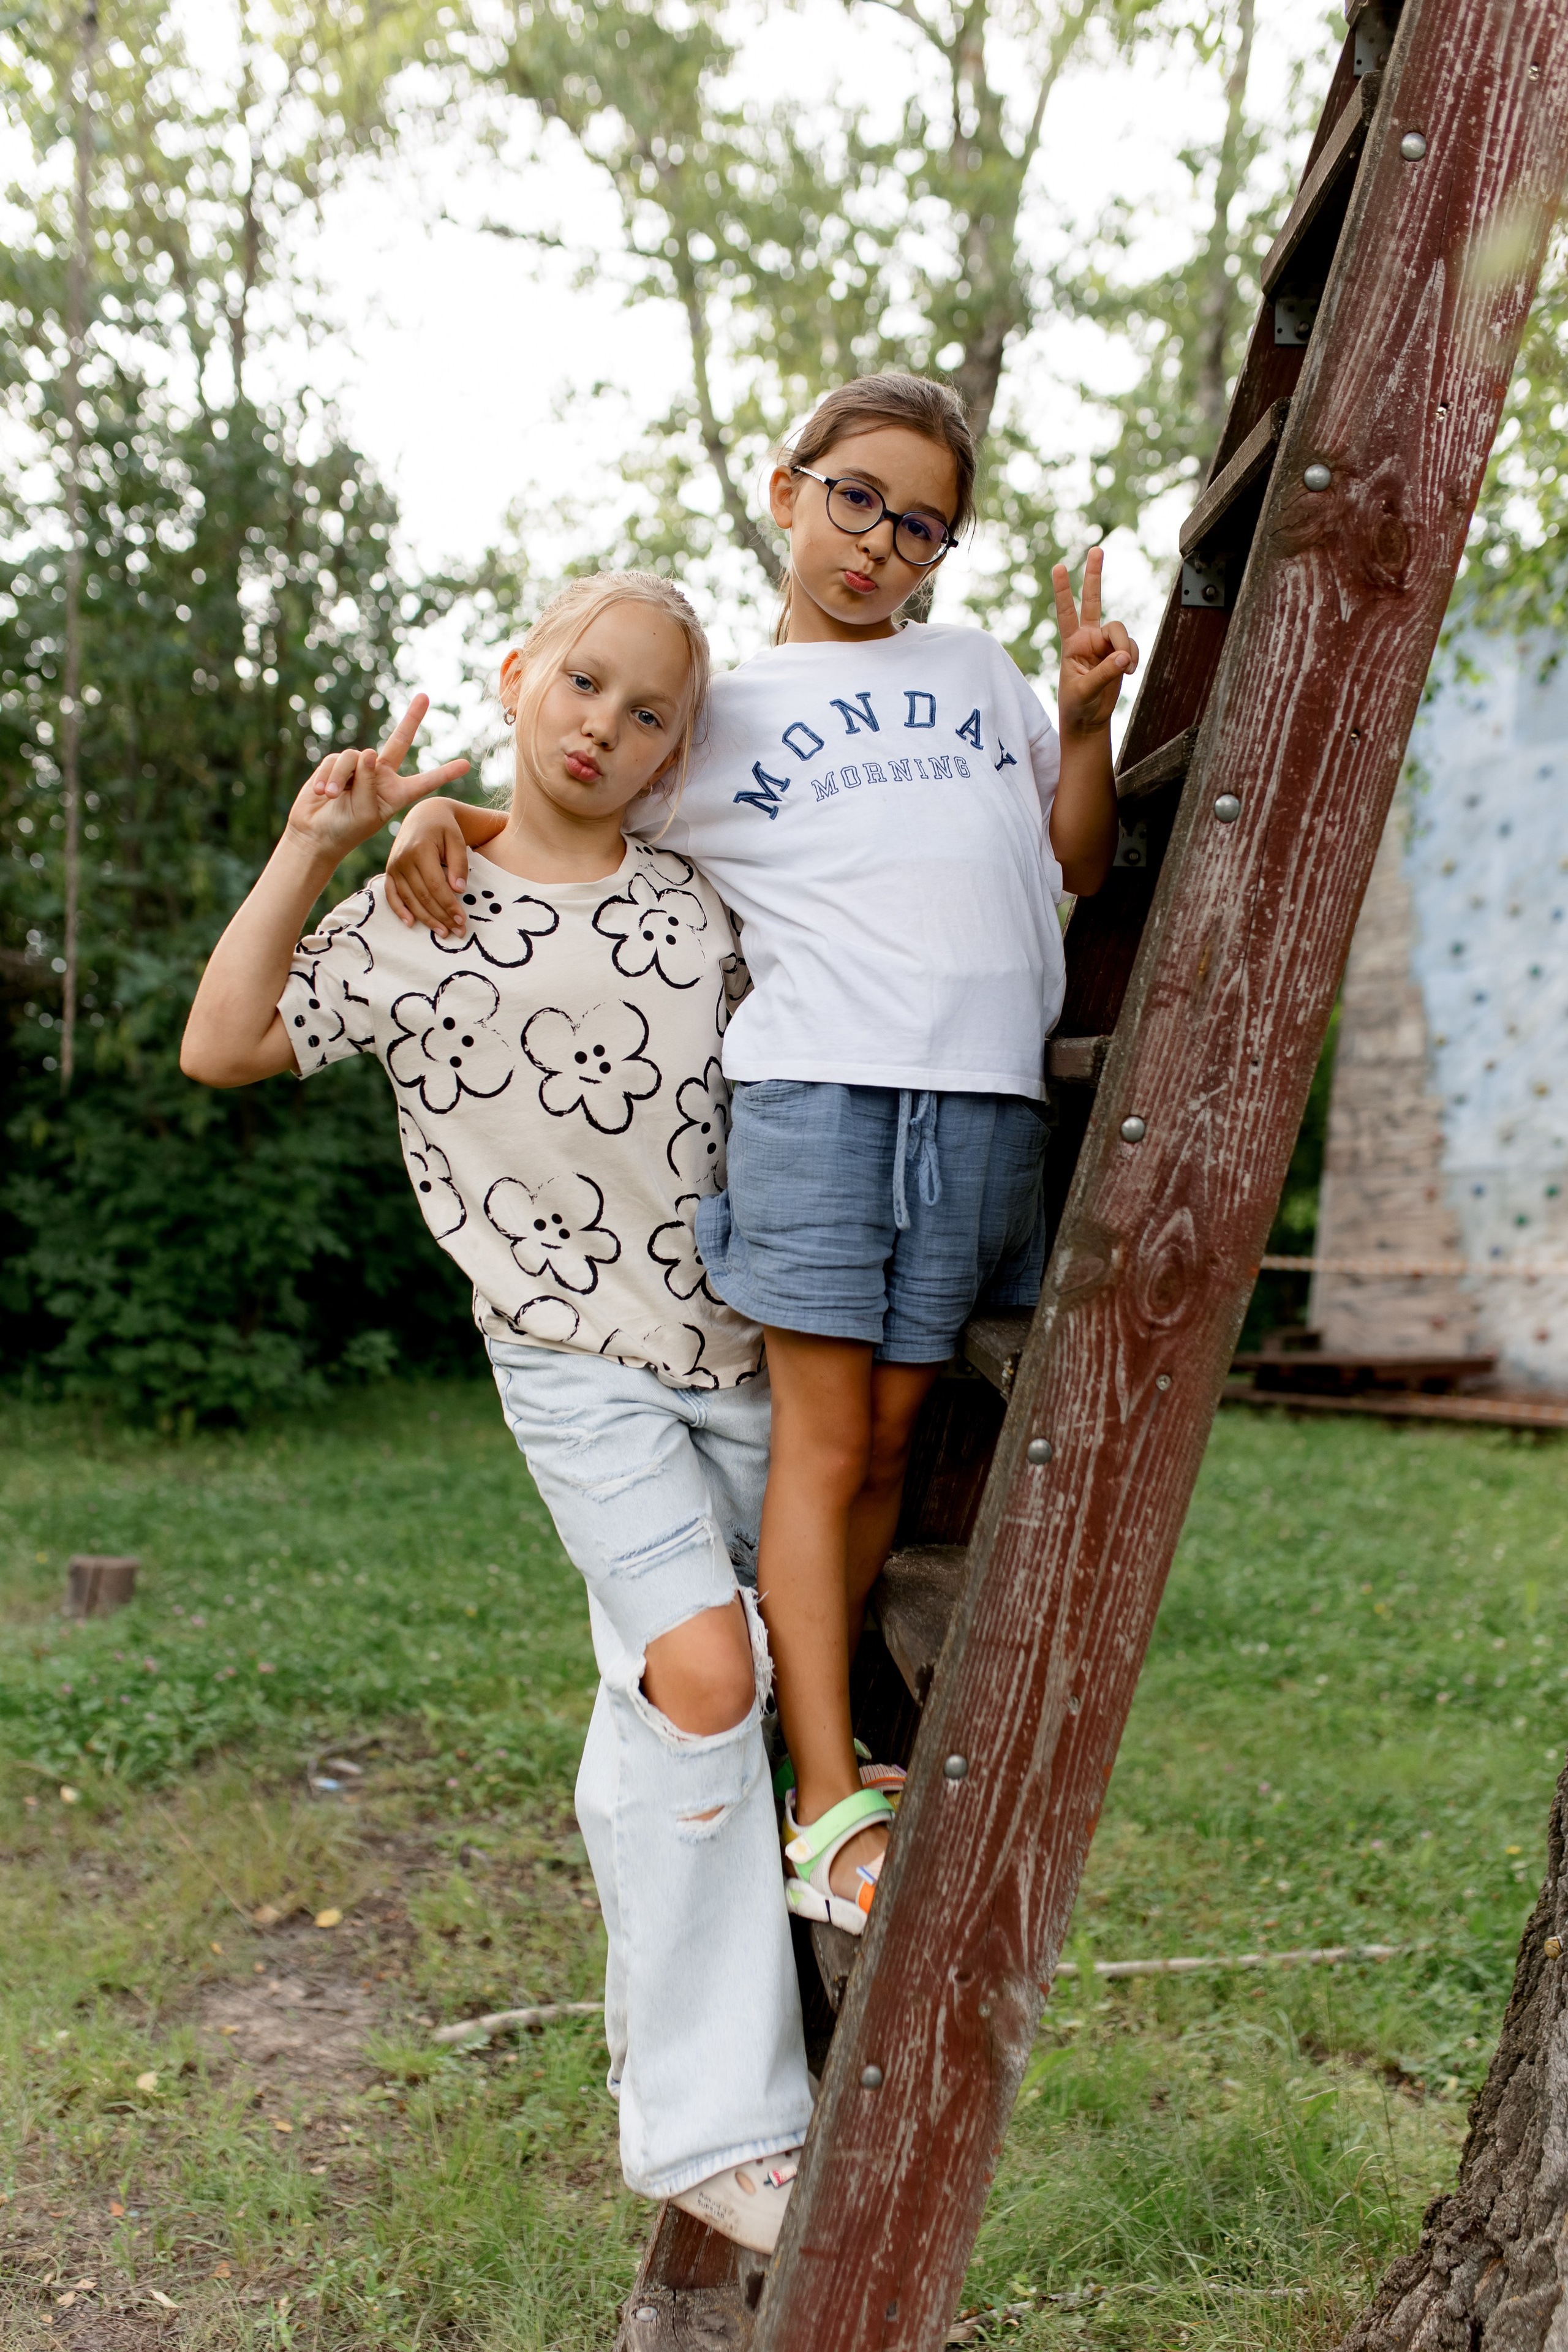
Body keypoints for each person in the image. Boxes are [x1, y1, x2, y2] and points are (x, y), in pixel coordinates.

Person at [386, 372, 1137, 1942]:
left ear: (943, 553)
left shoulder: (979, 670)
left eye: (920, 523)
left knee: (881, 1442)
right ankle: (818, 1798)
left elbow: (1072, 859)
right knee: (818, 1448)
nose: (879, 543)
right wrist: (433, 821)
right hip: (814, 1098)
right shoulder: (715, 715)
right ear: (788, 491)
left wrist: (1081, 725)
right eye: (854, 498)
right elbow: (570, 806)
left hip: (982, 1103)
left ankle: (813, 1747)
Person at [179, 572, 812, 2252]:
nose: (605, 724)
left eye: (650, 709)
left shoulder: (706, 902)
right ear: (521, 678)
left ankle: (677, 2051)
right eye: (584, 684)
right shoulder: (413, 910)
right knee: (704, 1667)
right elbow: (225, 1043)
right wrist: (320, 841)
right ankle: (717, 2130)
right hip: (570, 1365)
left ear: (681, 747)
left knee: (680, 1706)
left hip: (748, 1358)